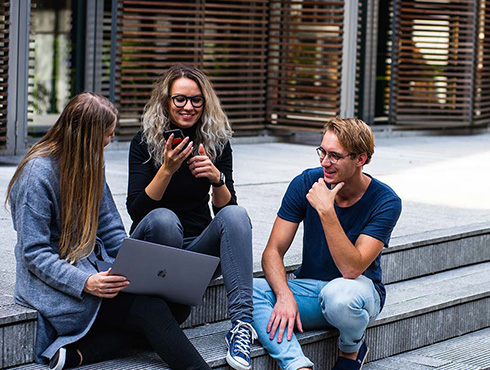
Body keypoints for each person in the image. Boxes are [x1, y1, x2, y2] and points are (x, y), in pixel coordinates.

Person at [6, 92, 211, 370]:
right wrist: (84, 282)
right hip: (57, 284)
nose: (111, 139)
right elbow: (34, 253)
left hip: (96, 270)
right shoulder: (37, 174)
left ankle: (82, 353)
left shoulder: (90, 163)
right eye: (108, 133)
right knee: (151, 311)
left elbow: (112, 229)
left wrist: (133, 268)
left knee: (177, 308)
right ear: (88, 135)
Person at [126, 64, 256, 370]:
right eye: (180, 99)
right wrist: (167, 169)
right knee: (165, 220)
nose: (188, 107)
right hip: (155, 247)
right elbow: (137, 211)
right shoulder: (144, 142)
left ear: (205, 102)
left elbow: (227, 214)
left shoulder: (216, 141)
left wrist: (216, 179)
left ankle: (241, 327)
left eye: (196, 100)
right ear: (166, 101)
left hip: (196, 252)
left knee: (238, 215)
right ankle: (159, 313)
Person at [252, 117, 402, 370]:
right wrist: (284, 294)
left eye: (334, 156)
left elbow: (351, 269)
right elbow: (272, 252)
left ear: (360, 159)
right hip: (311, 289)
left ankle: (350, 351)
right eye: (322, 152)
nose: (324, 162)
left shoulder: (385, 201)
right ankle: (298, 365)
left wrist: (327, 211)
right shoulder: (306, 182)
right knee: (248, 290)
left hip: (358, 294)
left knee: (340, 296)